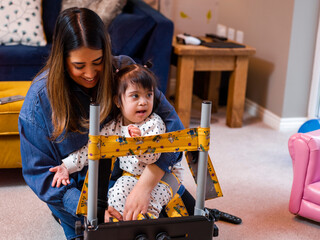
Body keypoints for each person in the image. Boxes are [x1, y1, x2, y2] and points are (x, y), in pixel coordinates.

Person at [18, 7, 186, 240]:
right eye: (79, 66)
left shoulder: (126, 74)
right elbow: (40, 174)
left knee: (170, 225)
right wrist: (88, 207)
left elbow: (175, 129)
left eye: (97, 61)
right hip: (77, 192)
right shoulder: (39, 99)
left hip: (130, 175)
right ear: (61, 59)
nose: (90, 74)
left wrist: (145, 186)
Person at [49, 63, 184, 219]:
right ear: (118, 101)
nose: (143, 102)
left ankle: (146, 226)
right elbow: (92, 149)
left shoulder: (154, 123)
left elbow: (153, 158)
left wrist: (139, 143)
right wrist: (66, 166)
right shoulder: (114, 126)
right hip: (131, 175)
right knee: (116, 195)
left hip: (163, 177)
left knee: (147, 204)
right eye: (135, 96)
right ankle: (116, 225)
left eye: (149, 95)